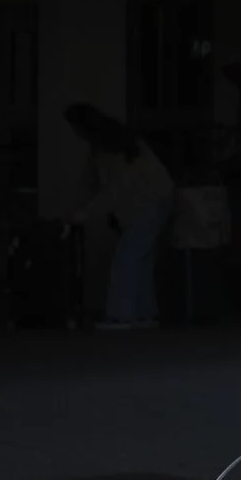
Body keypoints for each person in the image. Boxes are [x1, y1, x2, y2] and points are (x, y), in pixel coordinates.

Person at [63, 103, 176, 330]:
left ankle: (121, 316)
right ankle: (145, 314)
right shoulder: (116, 142)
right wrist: (78, 209)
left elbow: (113, 189)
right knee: (140, 260)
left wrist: (84, 213)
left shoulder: (110, 149)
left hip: (147, 204)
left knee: (125, 259)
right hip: (159, 200)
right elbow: (90, 183)